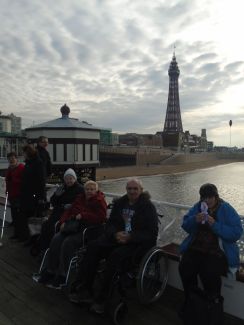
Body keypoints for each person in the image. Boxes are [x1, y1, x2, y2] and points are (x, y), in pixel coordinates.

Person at [69, 178, 158, 314]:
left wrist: (131, 237)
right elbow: (110, 223)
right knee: (93, 247)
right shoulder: (120, 203)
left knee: (115, 257)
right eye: (129, 188)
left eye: (135, 189)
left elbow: (152, 233)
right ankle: (84, 288)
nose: (132, 191)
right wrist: (115, 234)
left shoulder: (148, 207)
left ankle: (103, 299)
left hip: (136, 244)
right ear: (126, 190)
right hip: (116, 238)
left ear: (141, 190)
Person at [179, 183, 243, 315]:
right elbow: (185, 225)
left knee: (209, 273)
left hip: (218, 251)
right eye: (204, 198)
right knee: (185, 268)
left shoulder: (226, 209)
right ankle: (192, 302)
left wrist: (215, 225)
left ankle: (213, 308)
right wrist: (194, 220)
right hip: (197, 248)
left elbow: (236, 233)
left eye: (210, 197)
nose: (207, 201)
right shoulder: (198, 207)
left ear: (216, 196)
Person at [35, 180, 107, 288]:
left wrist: (84, 215)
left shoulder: (100, 201)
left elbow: (101, 218)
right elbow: (68, 211)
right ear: (84, 190)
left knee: (68, 243)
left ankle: (62, 275)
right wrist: (63, 222)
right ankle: (50, 270)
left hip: (86, 231)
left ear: (96, 190)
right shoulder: (80, 198)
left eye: (92, 189)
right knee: (56, 238)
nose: (89, 191)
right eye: (87, 189)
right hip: (72, 227)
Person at [36, 168, 84, 253]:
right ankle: (43, 249)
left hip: (68, 214)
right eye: (67, 179)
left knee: (52, 227)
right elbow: (53, 202)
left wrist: (71, 206)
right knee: (45, 225)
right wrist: (57, 195)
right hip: (58, 211)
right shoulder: (62, 188)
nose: (69, 181)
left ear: (75, 179)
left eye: (71, 178)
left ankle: (50, 250)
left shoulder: (80, 189)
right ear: (64, 180)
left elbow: (81, 204)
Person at [18, 145, 46, 242]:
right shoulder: (29, 163)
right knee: (28, 217)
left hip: (33, 196)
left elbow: (41, 181)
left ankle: (34, 240)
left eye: (24, 153)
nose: (23, 155)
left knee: (33, 218)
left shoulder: (38, 163)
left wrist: (41, 198)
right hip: (26, 195)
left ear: (28, 153)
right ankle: (29, 238)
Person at [5, 152, 25, 240]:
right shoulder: (10, 168)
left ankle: (22, 235)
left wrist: (13, 180)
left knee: (20, 216)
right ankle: (16, 234)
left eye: (13, 158)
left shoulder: (21, 167)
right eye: (9, 159)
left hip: (19, 195)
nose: (11, 160)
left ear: (16, 159)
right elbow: (8, 181)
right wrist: (6, 189)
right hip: (11, 195)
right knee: (14, 216)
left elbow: (23, 181)